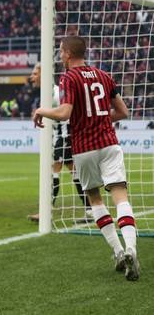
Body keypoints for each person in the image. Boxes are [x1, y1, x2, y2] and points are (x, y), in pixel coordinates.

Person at [33, 35, 139, 281]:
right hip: (109, 143)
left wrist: (41, 111)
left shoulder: (68, 78)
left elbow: (65, 112)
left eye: (60, 51)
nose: (60, 54)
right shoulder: (103, 75)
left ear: (68, 54)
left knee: (95, 199)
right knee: (120, 195)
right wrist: (100, 121)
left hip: (84, 148)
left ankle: (118, 251)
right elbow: (123, 111)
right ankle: (132, 248)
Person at [27, 62, 91, 222]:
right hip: (61, 137)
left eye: (35, 73)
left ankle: (46, 212)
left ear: (44, 74)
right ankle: (91, 210)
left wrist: (41, 113)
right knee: (73, 173)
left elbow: (65, 112)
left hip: (66, 137)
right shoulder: (46, 94)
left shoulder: (55, 94)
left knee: (55, 170)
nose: (31, 77)